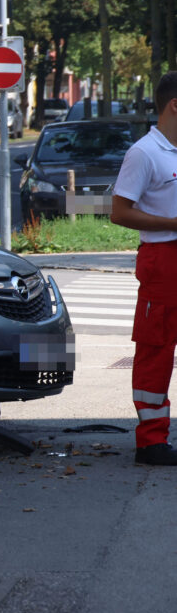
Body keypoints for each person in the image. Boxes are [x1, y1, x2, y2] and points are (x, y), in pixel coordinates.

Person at [111, 71, 177, 465]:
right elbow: (120, 213)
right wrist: (173, 225)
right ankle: (151, 442)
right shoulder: (144, 152)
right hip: (162, 258)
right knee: (156, 348)